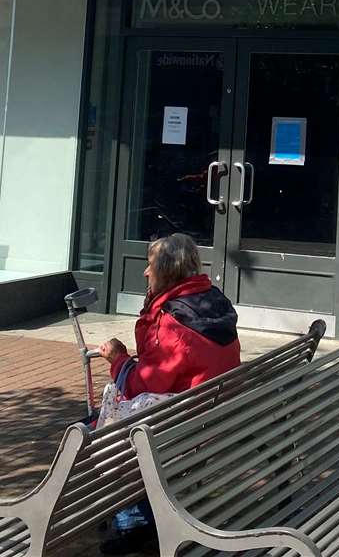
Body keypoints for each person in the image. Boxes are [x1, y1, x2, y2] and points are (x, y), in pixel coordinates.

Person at [96, 233, 241, 554]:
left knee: (106, 428)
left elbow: (141, 385)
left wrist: (117, 357)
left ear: (167, 270)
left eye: (150, 266)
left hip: (179, 430)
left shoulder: (173, 322)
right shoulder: (213, 302)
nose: (146, 273)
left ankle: (133, 522)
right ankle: (140, 515)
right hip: (209, 420)